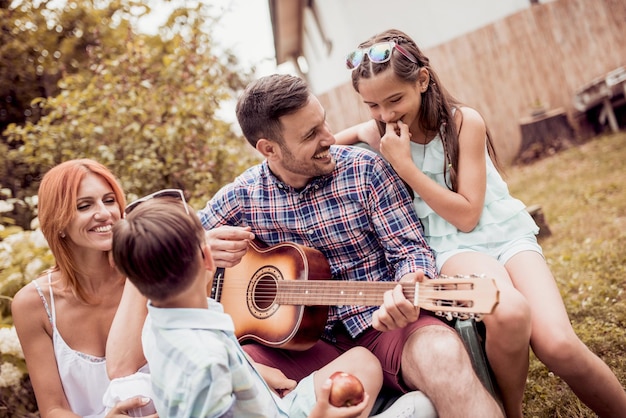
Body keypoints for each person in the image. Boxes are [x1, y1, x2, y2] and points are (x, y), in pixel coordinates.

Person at [334, 28, 626, 418]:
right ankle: (511, 410)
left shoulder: (462, 122)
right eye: (372, 105)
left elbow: (469, 214)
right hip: (452, 248)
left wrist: (404, 165)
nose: (385, 115)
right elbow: (324, 147)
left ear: (422, 80)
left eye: (394, 100)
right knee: (507, 312)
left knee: (559, 345)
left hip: (503, 234)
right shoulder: (377, 132)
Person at [196, 73, 503, 418]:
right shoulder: (244, 195)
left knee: (442, 353)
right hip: (296, 347)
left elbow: (409, 250)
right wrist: (200, 245)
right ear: (269, 149)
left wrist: (410, 282)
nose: (329, 137)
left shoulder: (366, 171)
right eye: (311, 134)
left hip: (386, 328)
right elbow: (169, 239)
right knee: (221, 374)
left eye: (323, 123)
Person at [110, 192, 384, 418]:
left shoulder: (157, 324)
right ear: (208, 259)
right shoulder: (207, 363)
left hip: (271, 406)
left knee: (364, 361)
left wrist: (254, 378)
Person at [10, 159, 156, 418]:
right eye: (84, 206)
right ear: (59, 223)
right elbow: (53, 408)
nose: (104, 213)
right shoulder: (33, 304)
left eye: (109, 201)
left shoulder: (152, 277)